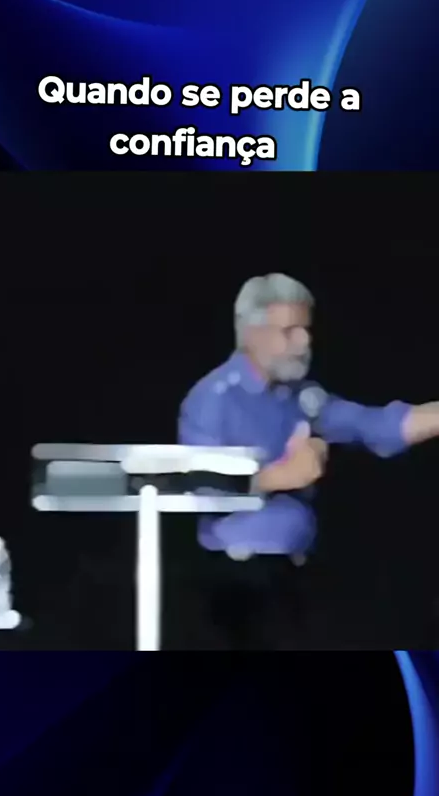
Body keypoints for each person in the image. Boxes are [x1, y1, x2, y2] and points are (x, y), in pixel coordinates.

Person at [176, 274, 439, 647]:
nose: (304, 341)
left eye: (306, 330)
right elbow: (196, 487)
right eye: (290, 331)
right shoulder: (213, 399)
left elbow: (375, 426)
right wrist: (279, 476)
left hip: (291, 580)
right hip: (237, 587)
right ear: (252, 334)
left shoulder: (302, 397)